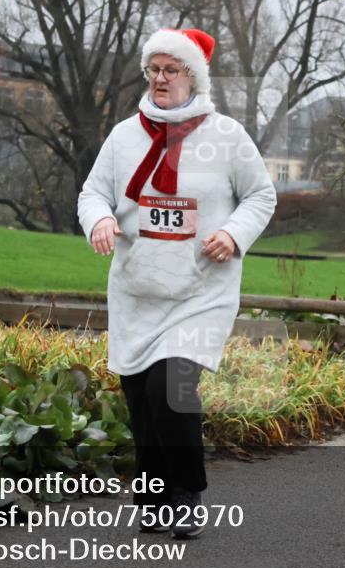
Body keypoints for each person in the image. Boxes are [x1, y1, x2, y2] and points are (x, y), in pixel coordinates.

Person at [77, 28, 276, 537]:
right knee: (142, 399)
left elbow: (261, 195)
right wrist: (100, 219)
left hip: (199, 292)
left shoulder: (227, 136)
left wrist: (233, 234)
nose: (160, 79)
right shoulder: (125, 136)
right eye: (154, 69)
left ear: (194, 76)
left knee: (171, 390)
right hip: (138, 289)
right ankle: (154, 496)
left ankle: (186, 494)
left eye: (171, 70)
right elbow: (92, 193)